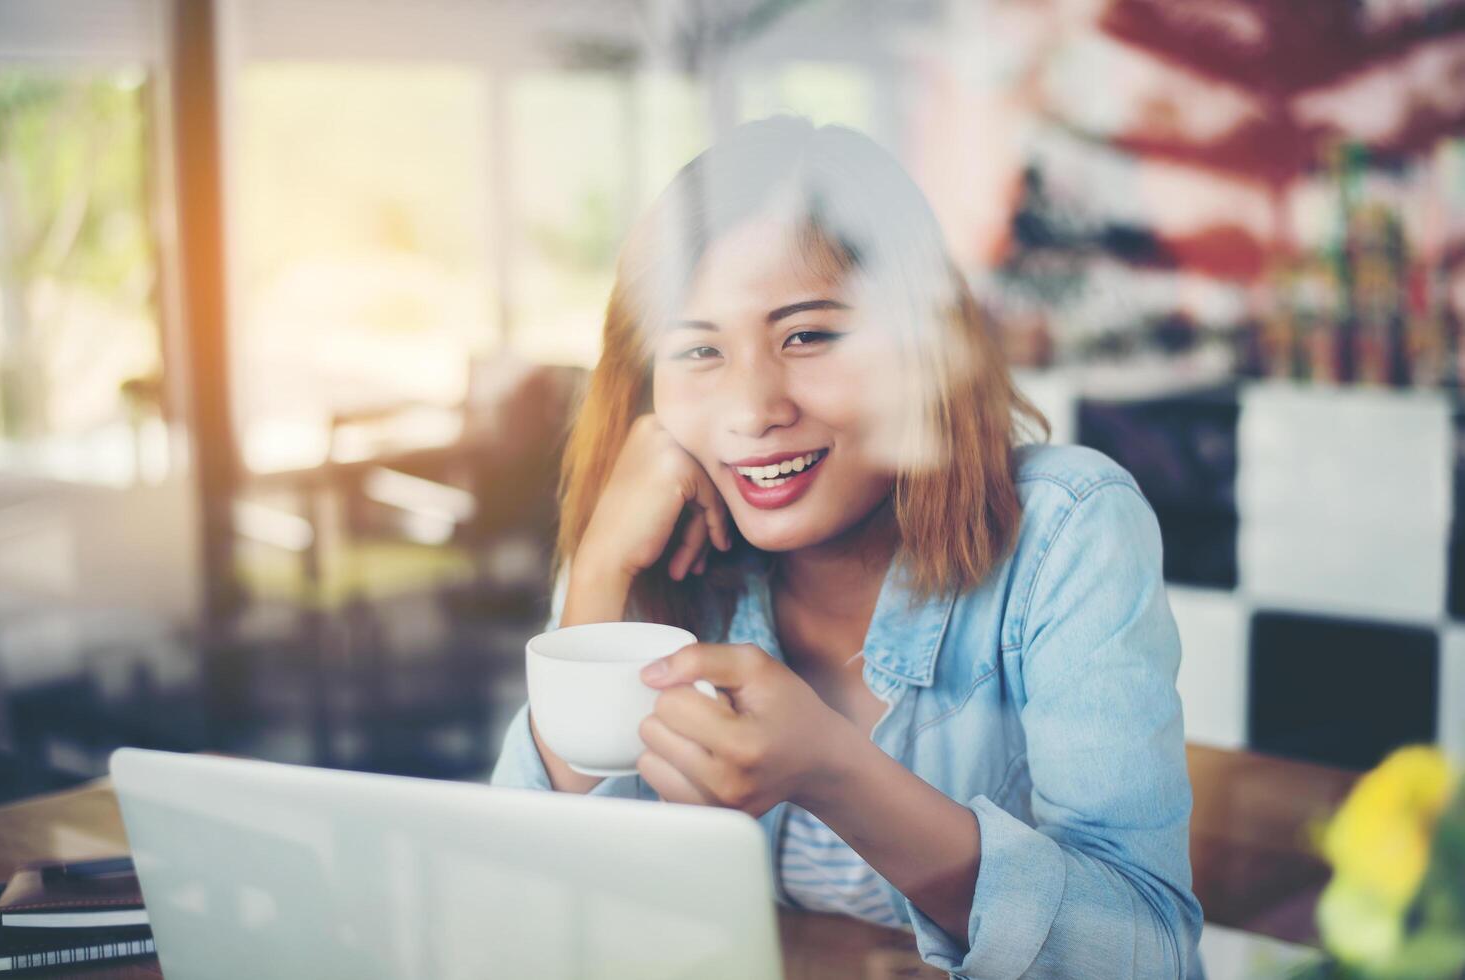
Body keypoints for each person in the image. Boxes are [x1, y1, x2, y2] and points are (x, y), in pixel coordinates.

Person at [490, 115, 1204, 978]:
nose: (752, 409)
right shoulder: (646, 532)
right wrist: (599, 571)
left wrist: (833, 773)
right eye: (698, 351)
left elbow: (1146, 955)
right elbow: (527, 911)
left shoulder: (1066, 529)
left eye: (807, 335)